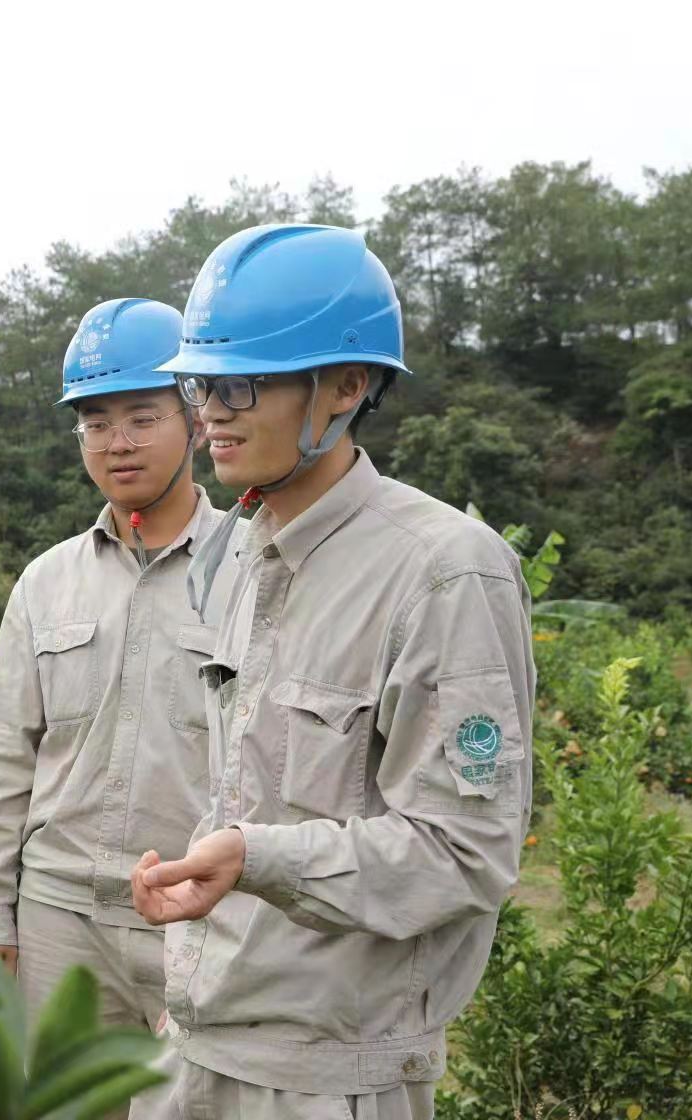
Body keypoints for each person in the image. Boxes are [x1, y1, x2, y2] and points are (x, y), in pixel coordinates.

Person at [131, 225, 535, 1120]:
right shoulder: (238, 549)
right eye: (201, 384)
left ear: (348, 387)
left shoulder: (442, 571)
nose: (211, 413)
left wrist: (259, 859)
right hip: (201, 1040)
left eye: (243, 384)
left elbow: (465, 852)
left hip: (328, 1074)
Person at [0, 297, 234, 1119]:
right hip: (59, 920)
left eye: (141, 416)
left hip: (196, 918)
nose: (117, 441)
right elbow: (4, 757)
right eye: (95, 421)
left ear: (193, 419)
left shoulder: (250, 572)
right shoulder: (47, 582)